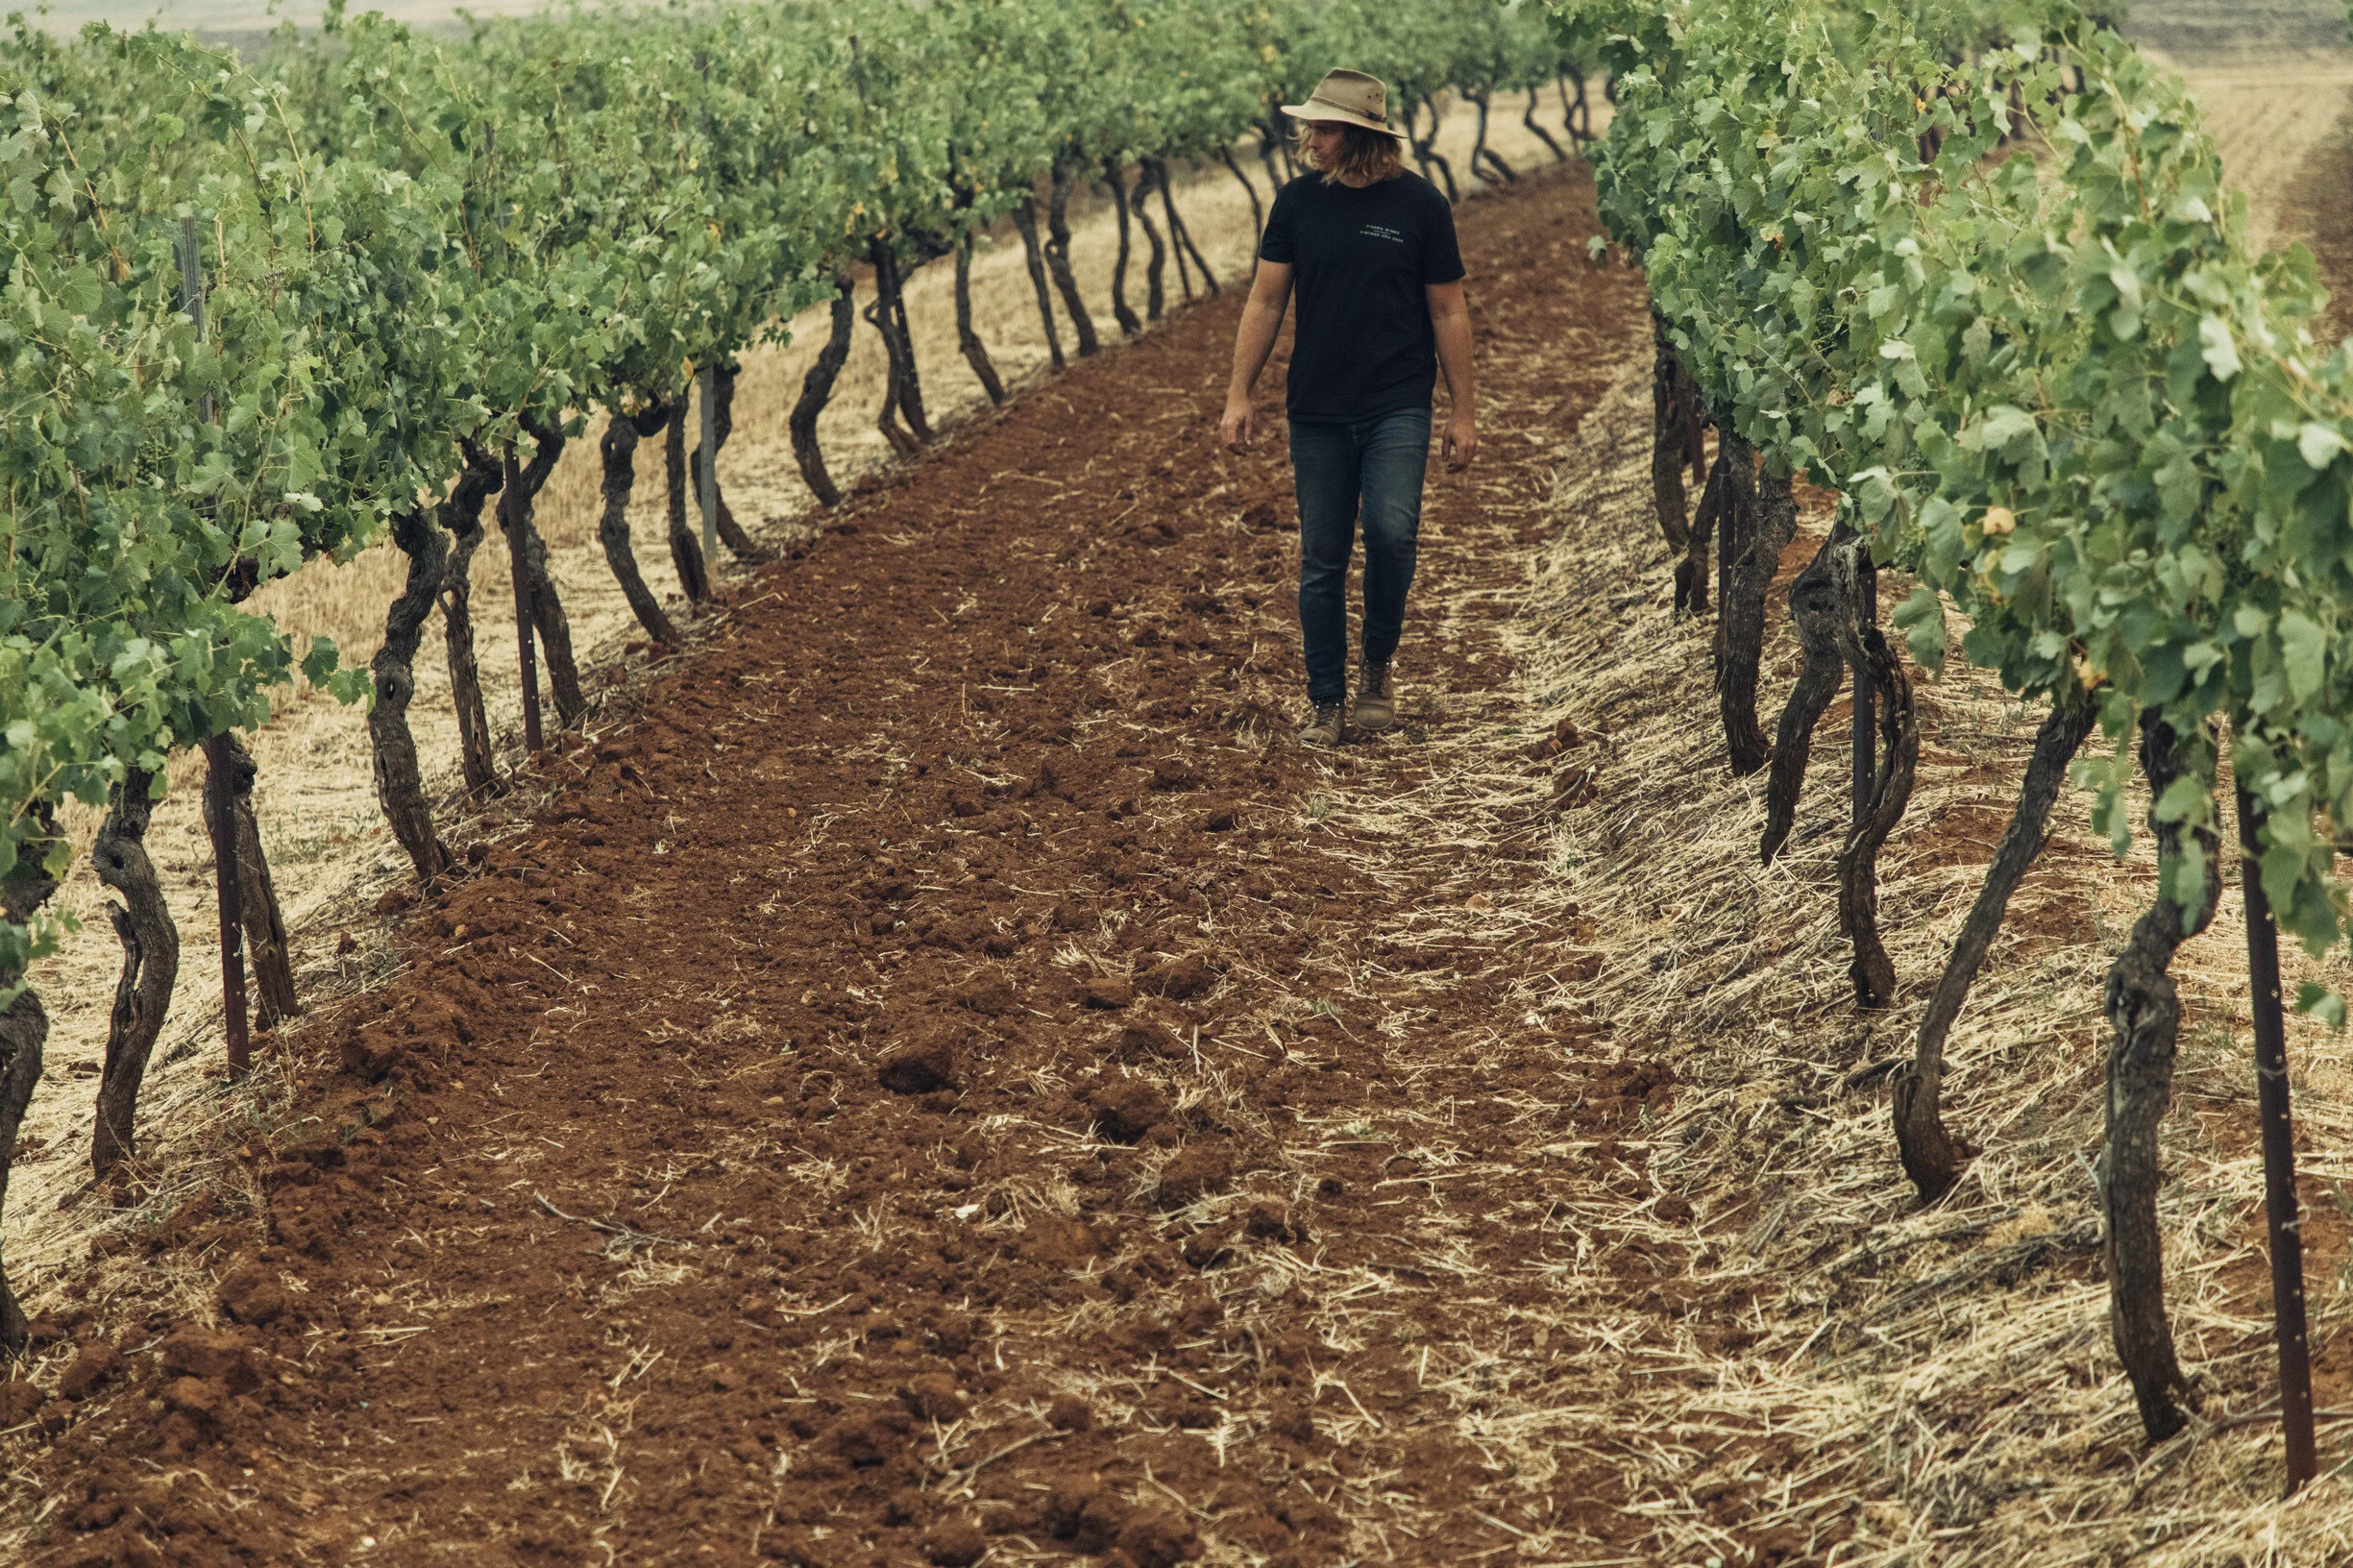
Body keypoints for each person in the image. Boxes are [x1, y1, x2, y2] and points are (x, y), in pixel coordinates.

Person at [1219, 66, 1477, 747]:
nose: (1311, 140)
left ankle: (1376, 668)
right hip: (1317, 408)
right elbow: (1265, 301)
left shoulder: (1421, 205)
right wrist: (1239, 393)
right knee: (1323, 557)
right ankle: (1326, 700)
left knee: (1391, 536)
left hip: (1398, 402)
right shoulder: (1297, 203)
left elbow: (1448, 310)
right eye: (1310, 128)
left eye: (1325, 130)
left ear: (1362, 136)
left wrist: (1463, 411)